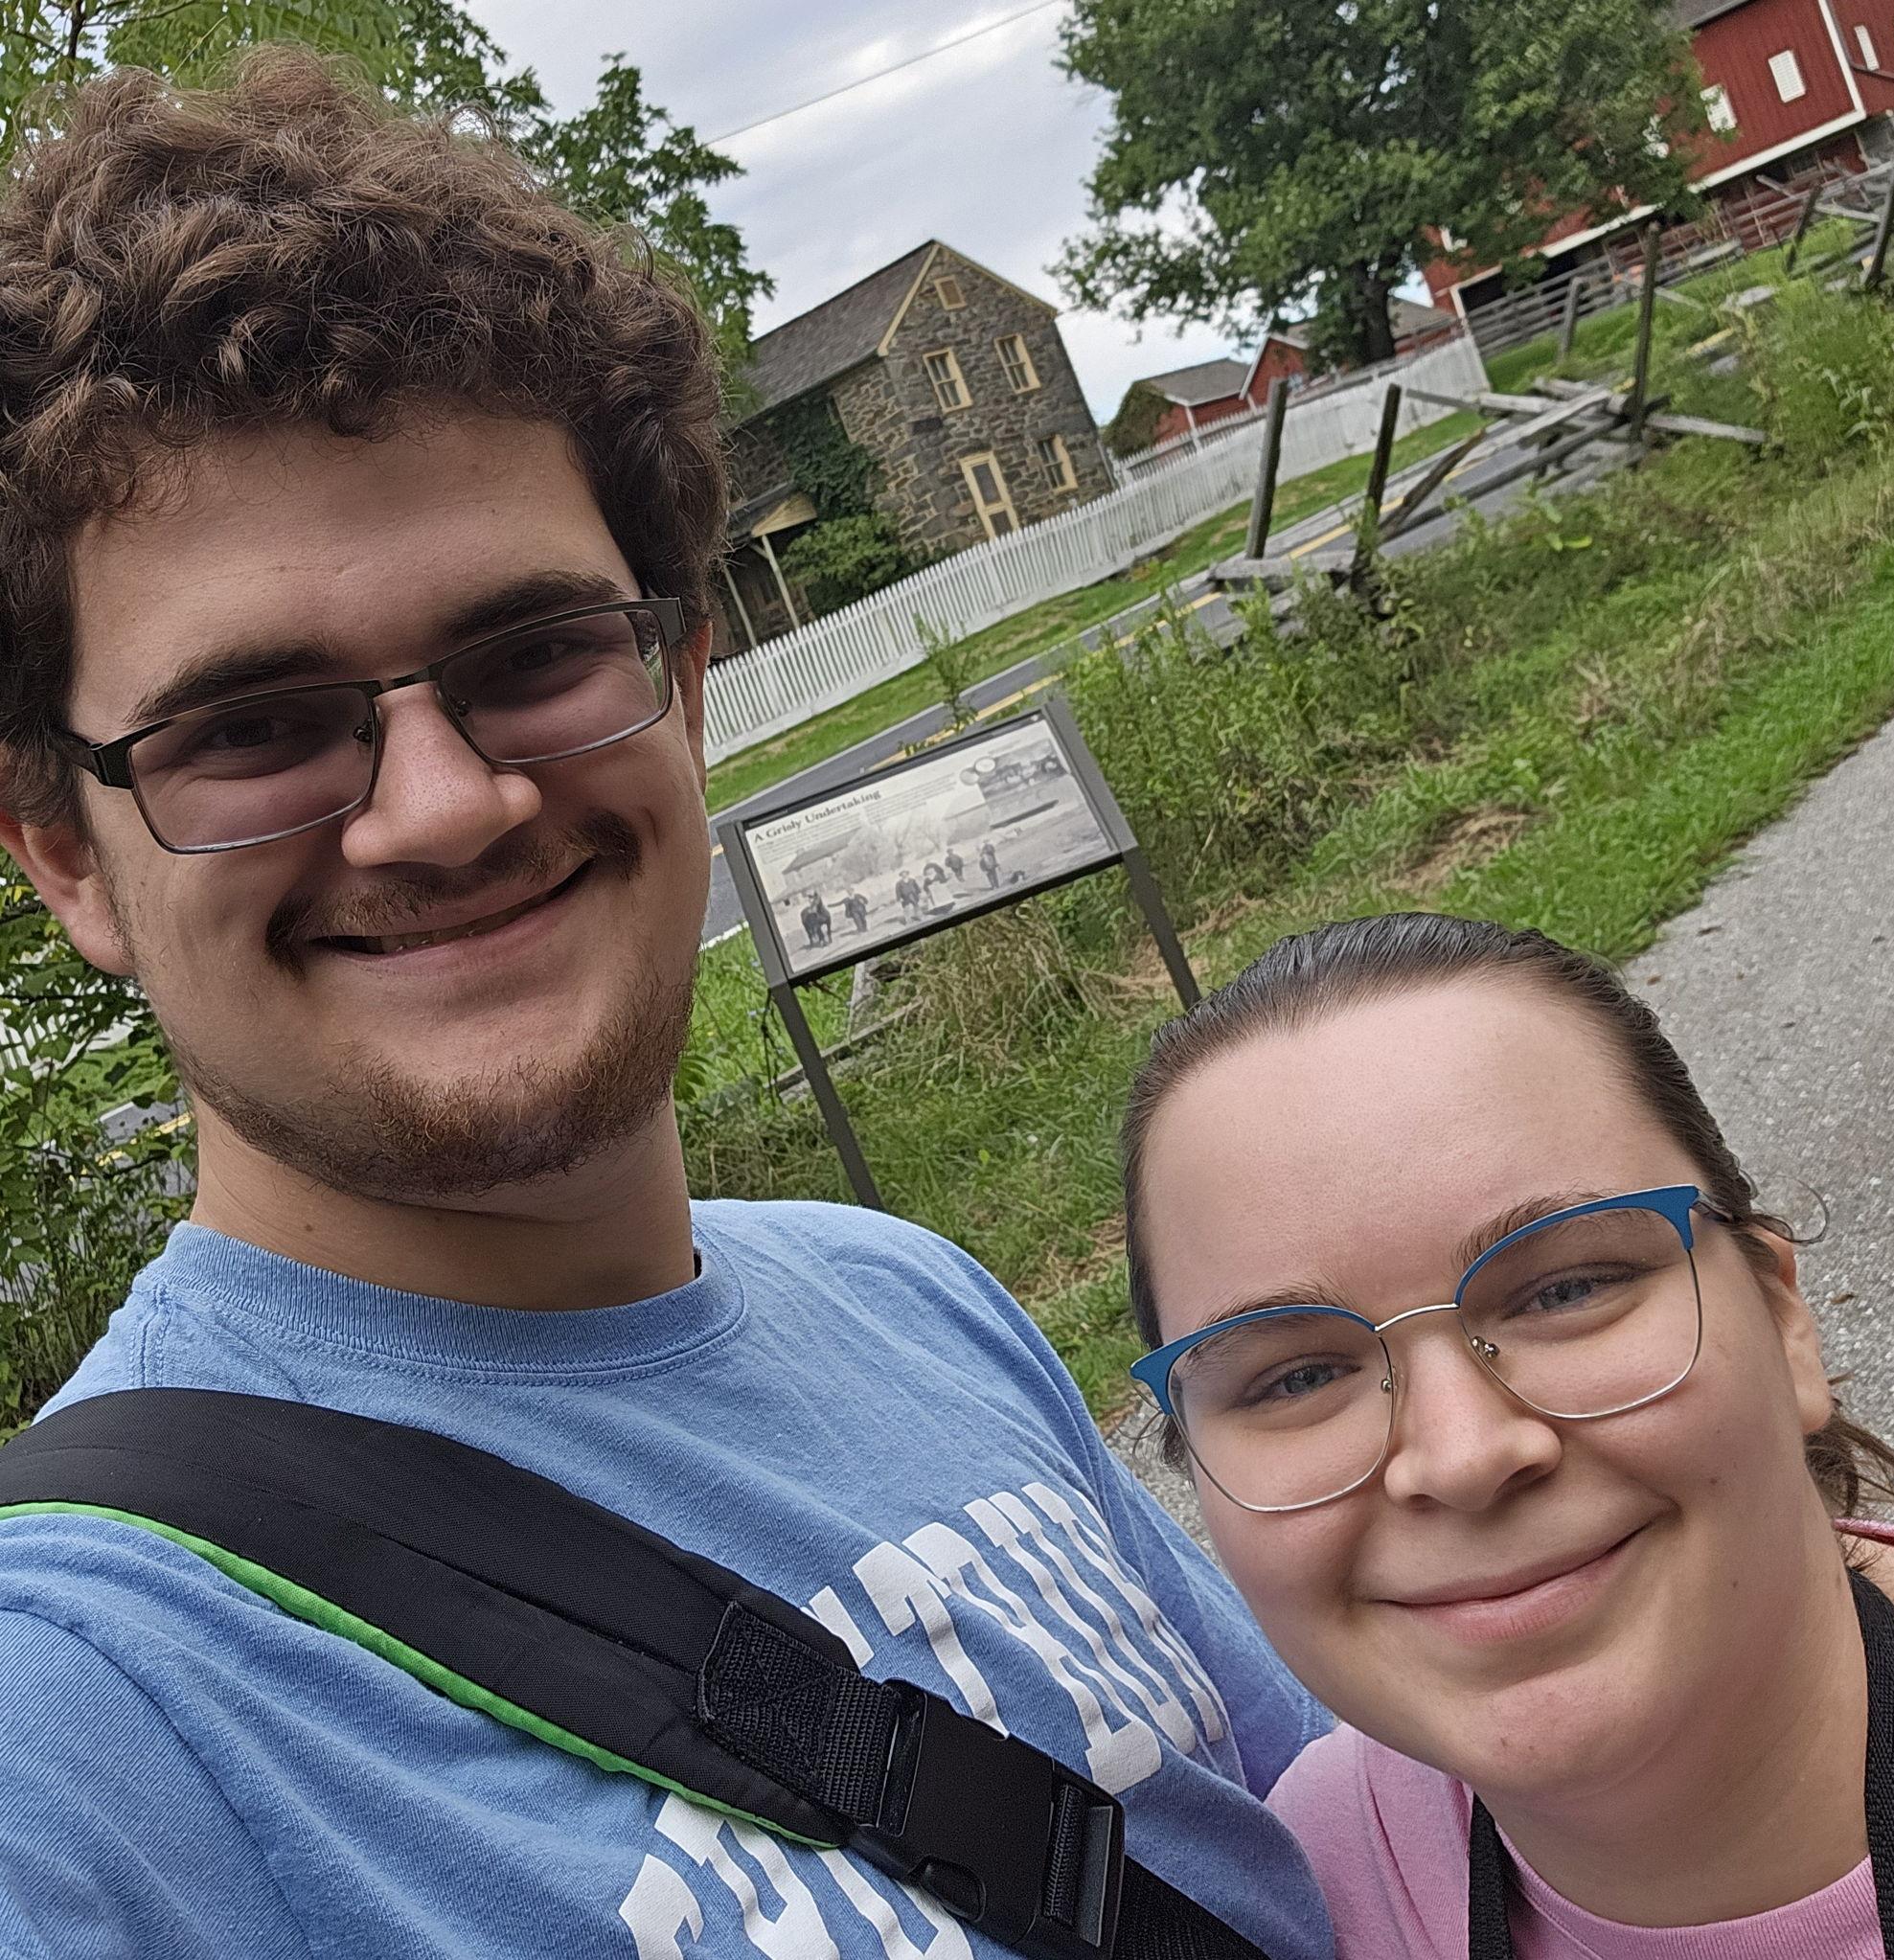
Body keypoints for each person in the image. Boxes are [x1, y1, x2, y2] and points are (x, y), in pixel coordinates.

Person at [0, 56, 1335, 1958]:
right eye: (254, 725)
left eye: (531, 652)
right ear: (64, 852)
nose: (444, 806)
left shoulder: (913, 1300)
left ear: (683, 684)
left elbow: (1357, 1857)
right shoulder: (77, 1718)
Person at [1122, 912, 1894, 1958]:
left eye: (1567, 1289)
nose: (1464, 1456)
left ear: (1783, 1320)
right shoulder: (1312, 1891)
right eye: (1297, 1377)